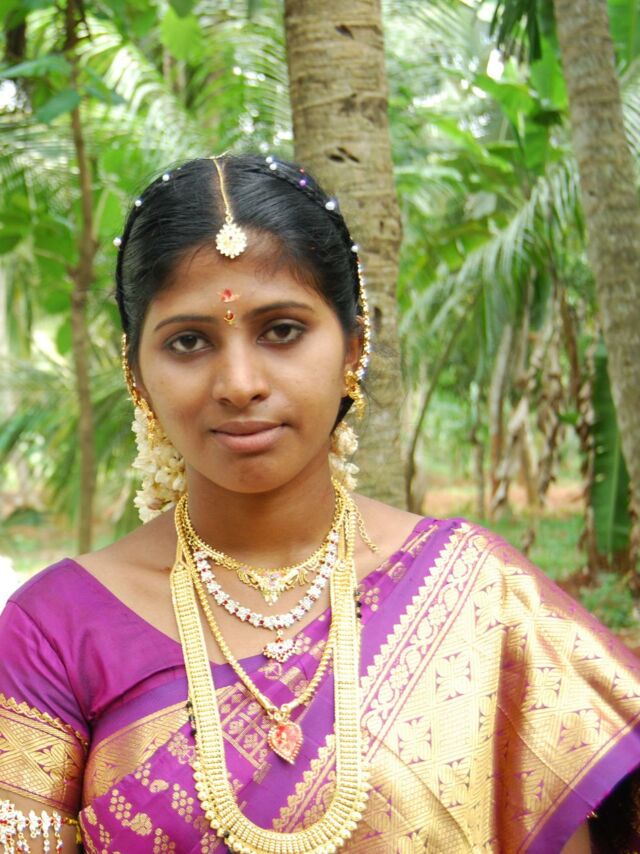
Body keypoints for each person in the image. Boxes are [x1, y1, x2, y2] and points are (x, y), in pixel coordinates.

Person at [0, 153, 639, 854]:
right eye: (189, 341)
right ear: (137, 376)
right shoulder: (56, 629)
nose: (239, 383)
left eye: (281, 330)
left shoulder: (481, 595)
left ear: (353, 348)